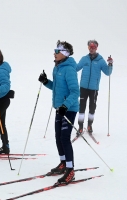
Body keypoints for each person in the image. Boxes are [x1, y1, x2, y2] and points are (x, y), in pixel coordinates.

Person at [38, 40, 79, 184]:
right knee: (58, 137)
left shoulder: (69, 69)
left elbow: (75, 92)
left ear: (65, 53)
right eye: (55, 51)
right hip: (59, 108)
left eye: (57, 51)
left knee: (64, 138)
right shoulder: (57, 68)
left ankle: (70, 169)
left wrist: (65, 106)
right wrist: (45, 82)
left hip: (69, 109)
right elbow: (57, 87)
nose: (54, 53)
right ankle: (63, 163)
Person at [76, 40, 113, 135]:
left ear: (96, 48)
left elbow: (107, 72)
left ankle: (89, 125)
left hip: (94, 89)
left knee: (92, 107)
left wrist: (110, 64)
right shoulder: (84, 59)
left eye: (93, 47)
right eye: (90, 47)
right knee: (82, 107)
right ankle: (80, 126)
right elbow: (76, 68)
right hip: (83, 87)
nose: (91, 49)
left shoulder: (100, 61)